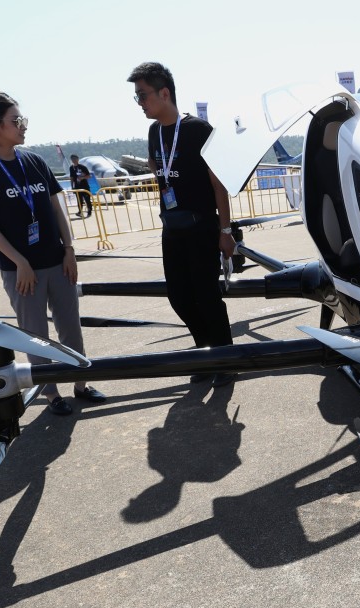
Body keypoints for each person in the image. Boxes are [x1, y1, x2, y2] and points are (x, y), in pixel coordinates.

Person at [0, 91, 105, 415]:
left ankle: (81, 383)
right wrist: (20, 262)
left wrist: (69, 249)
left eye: (22, 119)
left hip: (58, 262)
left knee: (70, 326)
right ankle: (50, 392)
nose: (23, 125)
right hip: (21, 271)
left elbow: (57, 208)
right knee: (35, 335)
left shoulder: (34, 161)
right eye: (16, 120)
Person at [127, 62, 236, 387]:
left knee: (206, 295)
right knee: (178, 296)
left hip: (202, 227)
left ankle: (226, 360)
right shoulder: (154, 132)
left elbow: (218, 185)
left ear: (164, 93)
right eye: (137, 97)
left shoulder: (198, 129)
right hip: (172, 228)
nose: (140, 103)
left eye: (143, 95)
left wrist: (225, 231)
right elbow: (158, 168)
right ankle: (205, 353)